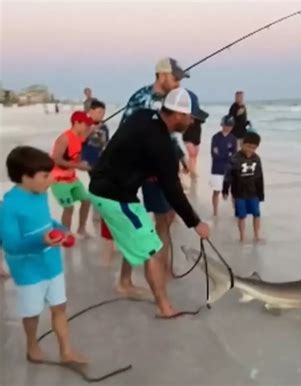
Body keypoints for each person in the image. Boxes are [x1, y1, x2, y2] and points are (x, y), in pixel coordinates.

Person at [89, 88, 210, 317]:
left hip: (111, 189)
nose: (193, 121)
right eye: (191, 116)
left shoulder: (142, 115)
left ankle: (125, 283)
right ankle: (164, 307)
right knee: (153, 249)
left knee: (136, 238)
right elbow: (173, 190)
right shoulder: (160, 144)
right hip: (115, 196)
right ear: (178, 115)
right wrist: (196, 223)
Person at [118, 57, 205, 294]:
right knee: (136, 223)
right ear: (161, 75)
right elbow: (130, 136)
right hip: (137, 169)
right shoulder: (143, 100)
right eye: (175, 78)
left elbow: (168, 134)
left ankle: (163, 268)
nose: (178, 84)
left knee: (165, 218)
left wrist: (180, 159)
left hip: (158, 165)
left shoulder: (169, 100)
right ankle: (125, 280)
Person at [0, 146, 86, 364]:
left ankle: (66, 352)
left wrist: (63, 231)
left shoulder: (40, 195)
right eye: (45, 176)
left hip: (52, 262)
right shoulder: (9, 206)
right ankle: (32, 345)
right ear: (25, 177)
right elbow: (11, 246)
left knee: (59, 306)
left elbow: (48, 222)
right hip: (28, 269)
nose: (51, 180)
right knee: (32, 312)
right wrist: (41, 241)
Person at [50, 111, 92, 237]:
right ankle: (66, 233)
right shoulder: (64, 138)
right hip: (58, 180)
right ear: (76, 123)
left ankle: (81, 228)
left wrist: (82, 164)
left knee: (86, 200)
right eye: (85, 124)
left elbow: (74, 158)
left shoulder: (79, 138)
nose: (87, 127)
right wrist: (79, 166)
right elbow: (56, 159)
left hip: (72, 178)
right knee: (69, 208)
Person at [223, 132, 264, 242]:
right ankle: (242, 237)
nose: (250, 150)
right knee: (242, 216)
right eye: (248, 146)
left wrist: (261, 194)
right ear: (242, 144)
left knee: (257, 213)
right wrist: (225, 190)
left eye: (254, 148)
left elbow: (260, 176)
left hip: (253, 192)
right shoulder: (234, 158)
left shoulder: (257, 159)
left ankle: (257, 235)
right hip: (239, 193)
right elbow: (228, 176)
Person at [210, 115, 238, 216]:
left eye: (230, 126)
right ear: (222, 125)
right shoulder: (215, 137)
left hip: (229, 170)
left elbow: (234, 155)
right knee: (216, 191)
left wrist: (224, 155)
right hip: (217, 169)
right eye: (227, 125)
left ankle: (236, 212)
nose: (228, 127)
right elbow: (214, 154)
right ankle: (215, 212)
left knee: (234, 192)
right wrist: (227, 155)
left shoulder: (233, 139)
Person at [183, 114, 208, 178]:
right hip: (187, 138)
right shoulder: (185, 117)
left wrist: (194, 117)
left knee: (195, 156)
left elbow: (206, 116)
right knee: (192, 154)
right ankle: (192, 172)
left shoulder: (198, 119)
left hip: (196, 139)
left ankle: (189, 168)